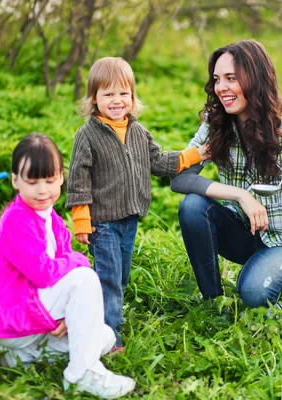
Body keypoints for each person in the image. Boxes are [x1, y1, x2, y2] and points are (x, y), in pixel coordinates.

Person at [171, 40, 282, 308]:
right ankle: (212, 302)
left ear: (254, 78)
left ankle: (275, 281)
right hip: (244, 232)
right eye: (217, 79)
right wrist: (240, 195)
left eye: (231, 78)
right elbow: (180, 178)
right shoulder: (217, 124)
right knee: (193, 206)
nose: (221, 88)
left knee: (253, 293)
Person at [0, 133, 135, 398]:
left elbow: (62, 274)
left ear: (60, 178)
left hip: (32, 325)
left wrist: (66, 316)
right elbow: (46, 273)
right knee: (84, 277)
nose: (42, 190)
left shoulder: (53, 220)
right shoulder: (16, 221)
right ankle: (81, 374)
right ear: (15, 181)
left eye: (49, 180)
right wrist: (81, 261)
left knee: (103, 336)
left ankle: (21, 358)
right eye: (32, 181)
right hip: (13, 319)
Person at [66, 57, 209, 346]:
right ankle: (109, 338)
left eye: (123, 93)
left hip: (129, 220)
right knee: (108, 278)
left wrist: (195, 155)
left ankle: (96, 317)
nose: (117, 101)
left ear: (132, 97)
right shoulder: (88, 135)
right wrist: (82, 219)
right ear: (94, 98)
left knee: (120, 276)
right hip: (102, 222)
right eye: (108, 94)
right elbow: (78, 178)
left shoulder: (139, 132)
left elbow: (158, 162)